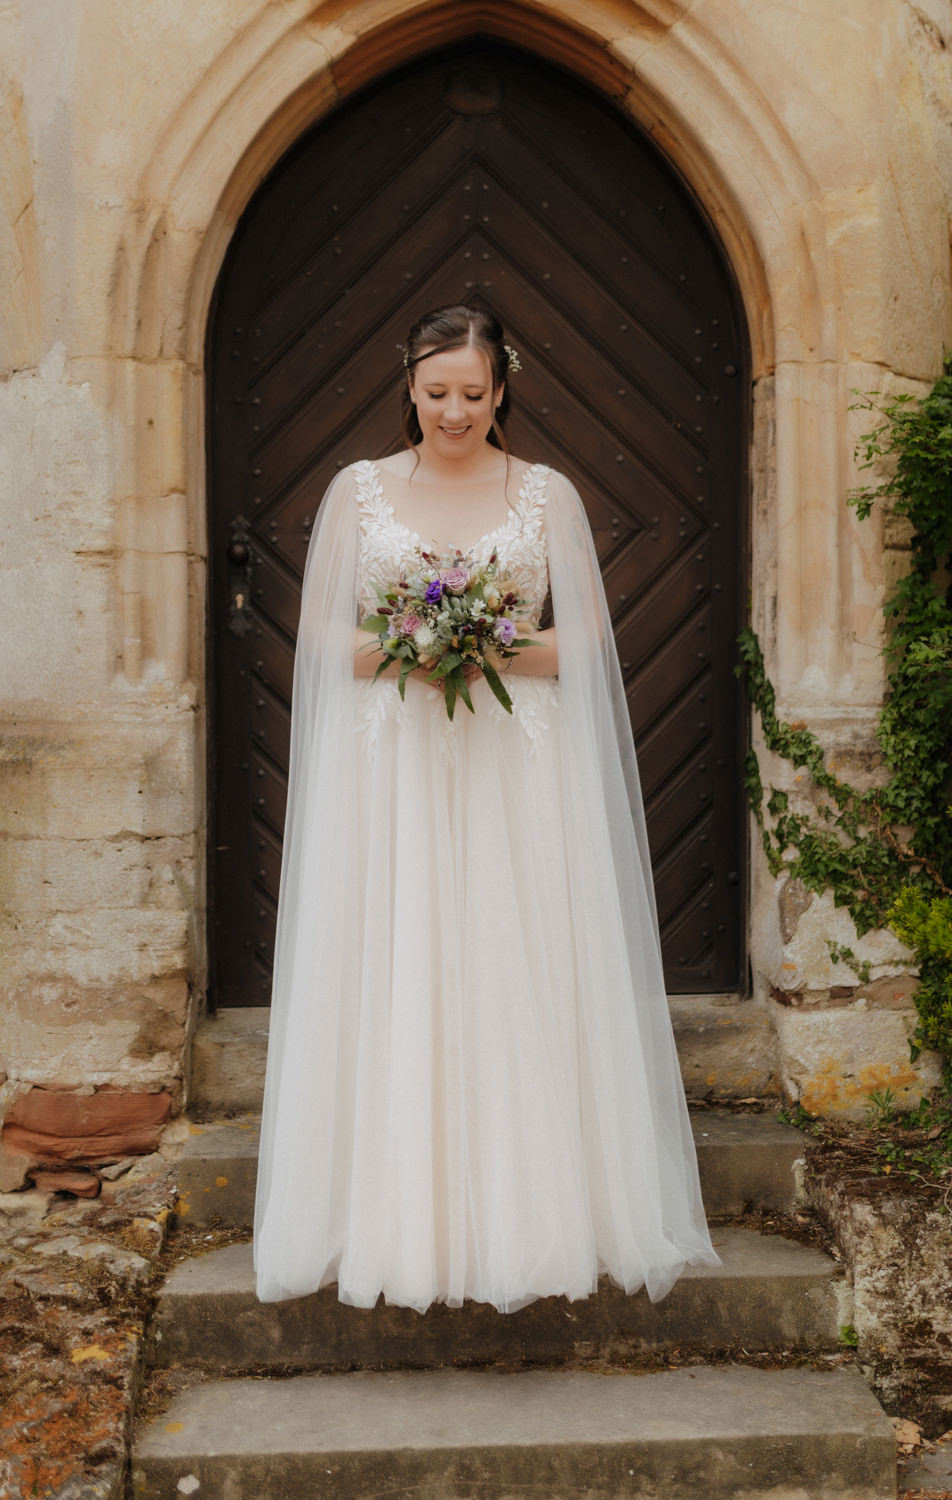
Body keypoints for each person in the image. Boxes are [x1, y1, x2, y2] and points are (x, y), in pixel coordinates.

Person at [253, 303, 721, 1313]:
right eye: (435, 395)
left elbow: (582, 645)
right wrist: (413, 647)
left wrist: (477, 644)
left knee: (520, 960)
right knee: (401, 957)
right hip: (397, 765)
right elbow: (326, 643)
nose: (453, 412)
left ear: (501, 388)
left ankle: (536, 1211)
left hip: (516, 759)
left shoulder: (543, 495)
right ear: (407, 390)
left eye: (472, 393)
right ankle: (396, 1218)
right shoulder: (357, 493)